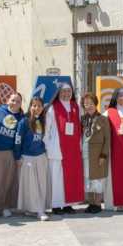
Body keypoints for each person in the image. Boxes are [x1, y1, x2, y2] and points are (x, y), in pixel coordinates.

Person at [43, 83, 84, 215]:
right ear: (58, 93)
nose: (66, 94)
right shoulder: (52, 108)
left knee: (71, 178)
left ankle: (68, 205)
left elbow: (80, 127)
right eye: (63, 91)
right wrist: (47, 146)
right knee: (57, 178)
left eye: (69, 91)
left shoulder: (76, 107)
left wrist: (80, 145)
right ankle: (56, 205)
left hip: (73, 149)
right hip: (57, 148)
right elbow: (46, 129)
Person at [15, 96, 51, 221]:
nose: (36, 108)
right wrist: (17, 156)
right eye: (34, 105)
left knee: (41, 184)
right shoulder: (24, 122)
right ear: (30, 106)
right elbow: (18, 140)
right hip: (27, 157)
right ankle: (36, 210)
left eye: (39, 106)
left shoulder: (43, 121)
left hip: (40, 156)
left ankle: (39, 208)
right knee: (31, 186)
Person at [0, 92, 23, 218]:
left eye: (18, 101)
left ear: (21, 104)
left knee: (8, 181)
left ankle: (5, 206)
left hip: (9, 152)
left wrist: (18, 155)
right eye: (13, 100)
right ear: (8, 100)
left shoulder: (21, 118)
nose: (15, 103)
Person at [81, 92, 110, 214]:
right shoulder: (82, 119)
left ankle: (97, 204)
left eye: (91, 103)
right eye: (86, 104)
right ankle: (91, 203)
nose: (89, 106)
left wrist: (103, 155)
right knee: (87, 179)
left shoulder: (103, 119)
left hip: (98, 154)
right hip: (85, 153)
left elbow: (107, 139)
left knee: (97, 180)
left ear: (96, 104)